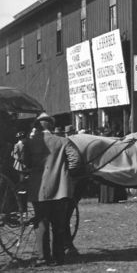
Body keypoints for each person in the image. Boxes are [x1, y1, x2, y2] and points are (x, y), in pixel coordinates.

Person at [26, 112, 81, 265]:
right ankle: (59, 257)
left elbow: (26, 163)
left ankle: (43, 257)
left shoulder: (30, 143)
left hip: (39, 190)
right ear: (51, 125)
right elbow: (75, 160)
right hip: (60, 189)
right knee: (59, 224)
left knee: (41, 223)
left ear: (38, 126)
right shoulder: (63, 141)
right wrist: (65, 172)